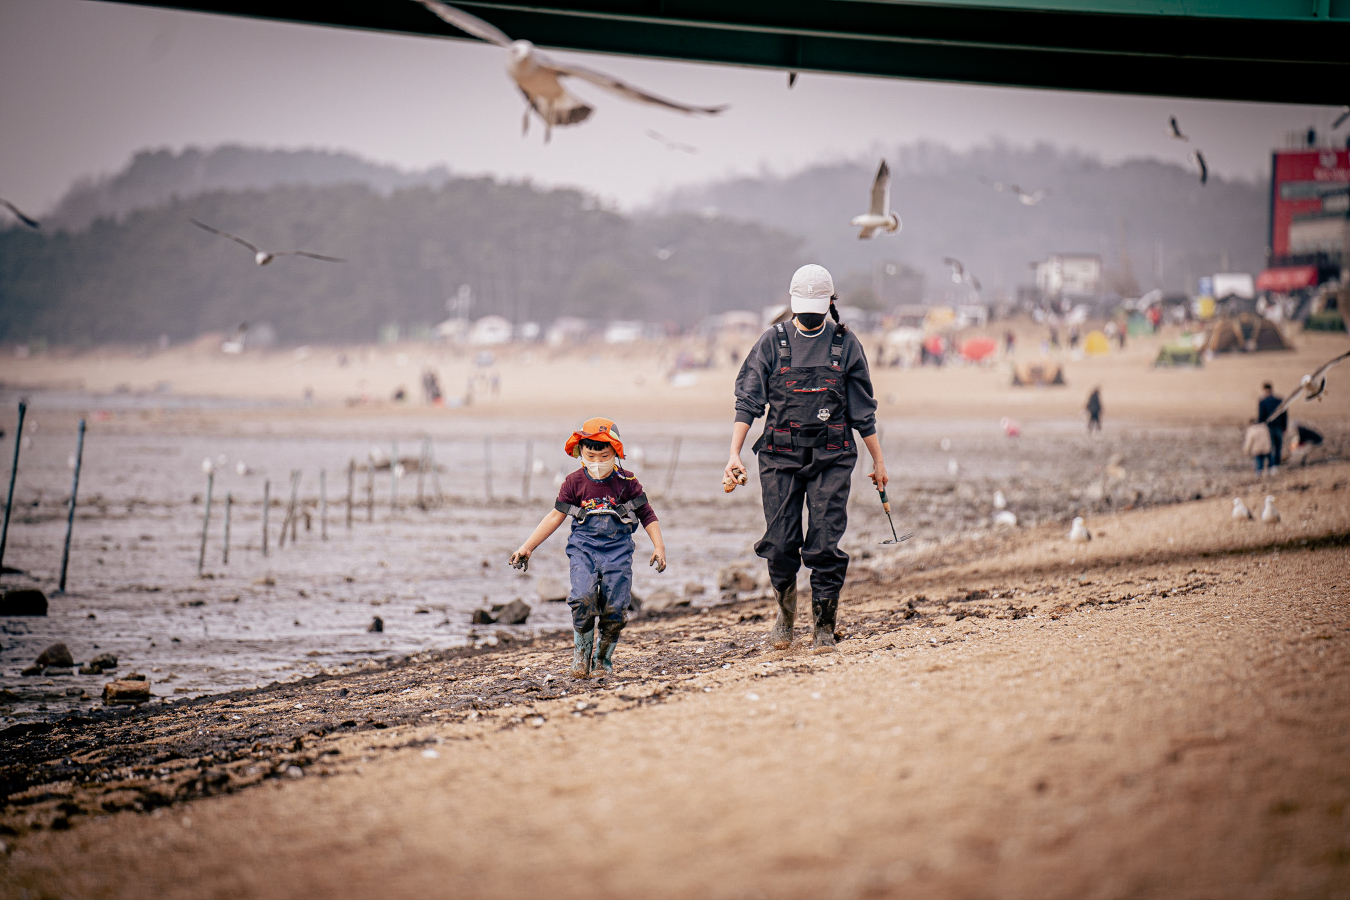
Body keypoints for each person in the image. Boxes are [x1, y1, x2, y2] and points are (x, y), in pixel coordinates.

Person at [724, 264, 886, 653]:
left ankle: (825, 628)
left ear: (831, 303)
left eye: (817, 306)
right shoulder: (771, 342)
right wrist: (733, 453)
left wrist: (878, 462)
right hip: (779, 458)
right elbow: (749, 402)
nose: (810, 314)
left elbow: (863, 411)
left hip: (833, 456)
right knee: (780, 544)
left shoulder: (846, 345)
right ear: (793, 304)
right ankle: (785, 618)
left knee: (825, 544)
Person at [510, 418, 666, 678]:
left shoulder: (627, 482)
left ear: (615, 453)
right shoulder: (573, 483)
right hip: (584, 550)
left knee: (615, 607)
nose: (596, 461)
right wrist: (527, 547)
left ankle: (602, 660)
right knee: (583, 599)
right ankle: (581, 657)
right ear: (580, 452)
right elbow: (554, 516)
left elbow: (647, 514)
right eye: (590, 454)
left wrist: (658, 546)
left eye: (604, 455)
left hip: (619, 551)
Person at [1257, 382, 1287, 470]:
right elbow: (1284, 415)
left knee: (1270, 447)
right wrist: (1284, 427)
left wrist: (1260, 427)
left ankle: (1272, 465)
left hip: (1268, 428)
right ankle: (1276, 465)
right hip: (1279, 427)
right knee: (1278, 446)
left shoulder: (1263, 401)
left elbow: (1261, 416)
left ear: (1265, 390)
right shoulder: (1279, 400)